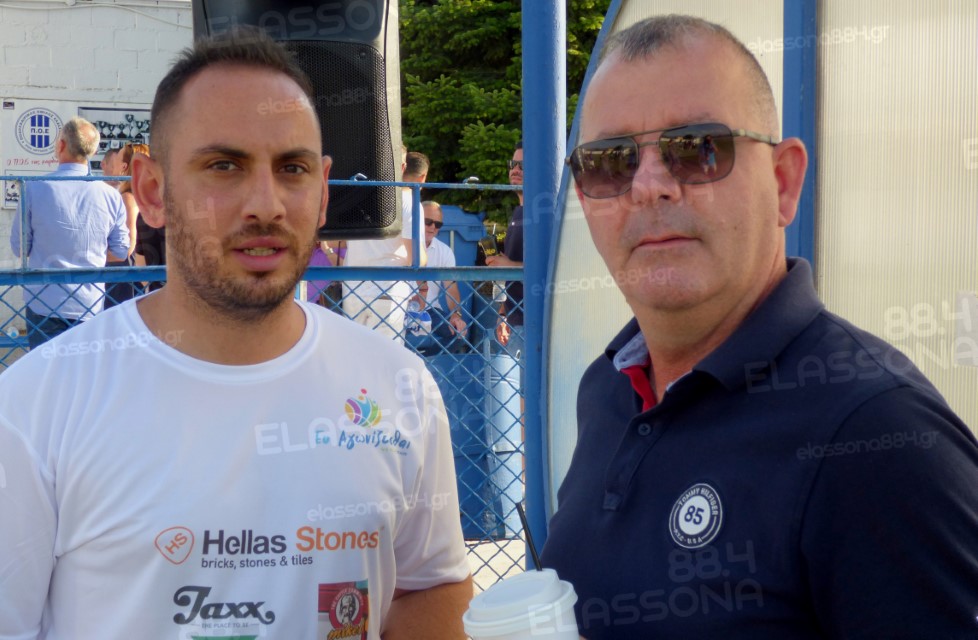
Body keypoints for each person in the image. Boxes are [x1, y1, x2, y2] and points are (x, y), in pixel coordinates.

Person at [0, 28, 472, 639]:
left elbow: (432, 585)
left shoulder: (398, 385)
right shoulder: (37, 402)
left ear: (323, 192)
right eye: (224, 166)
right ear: (152, 190)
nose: (266, 205)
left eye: (293, 168)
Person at [540, 14, 978, 639]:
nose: (649, 186)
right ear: (586, 199)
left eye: (697, 149)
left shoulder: (879, 433)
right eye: (610, 162)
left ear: (783, 182)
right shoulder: (607, 389)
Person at [9, 116, 130, 348]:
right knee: (85, 369)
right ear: (93, 152)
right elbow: (121, 251)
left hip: (43, 302)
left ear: (61, 145)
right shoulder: (111, 196)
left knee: (45, 369)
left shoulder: (32, 189)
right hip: (89, 304)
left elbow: (19, 248)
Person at [343, 148, 428, 342]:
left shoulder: (356, 198)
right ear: (402, 166)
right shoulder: (408, 201)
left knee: (355, 354)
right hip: (388, 291)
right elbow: (416, 258)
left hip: (353, 289)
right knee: (386, 356)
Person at [487, 141, 524, 366]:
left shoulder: (545, 214)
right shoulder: (519, 211)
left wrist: (509, 264)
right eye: (513, 164)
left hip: (533, 322)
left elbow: (552, 268)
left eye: (523, 165)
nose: (515, 170)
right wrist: (503, 314)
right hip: (515, 320)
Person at [418, 201, 467, 350]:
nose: (433, 227)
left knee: (459, 334)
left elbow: (451, 287)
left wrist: (456, 315)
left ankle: (424, 361)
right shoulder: (403, 245)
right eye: (428, 222)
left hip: (430, 310)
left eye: (438, 224)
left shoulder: (444, 251)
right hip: (400, 306)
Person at [102, 142, 146, 308]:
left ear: (124, 166)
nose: (114, 164)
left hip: (124, 277)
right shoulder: (140, 195)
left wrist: (98, 256)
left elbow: (128, 244)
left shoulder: (128, 197)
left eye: (118, 159)